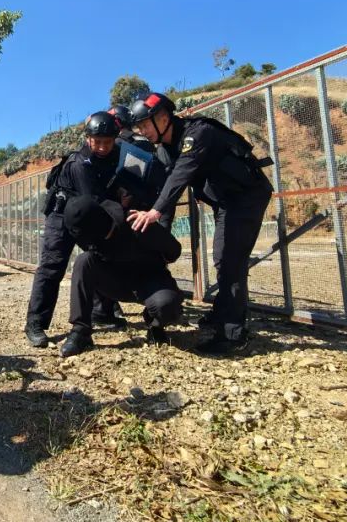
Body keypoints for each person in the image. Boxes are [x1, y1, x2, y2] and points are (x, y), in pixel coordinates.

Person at [128, 92, 272, 355]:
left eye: (145, 125)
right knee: (223, 258)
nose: (142, 131)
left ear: (163, 118)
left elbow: (181, 175)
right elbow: (165, 185)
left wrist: (155, 212)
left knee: (229, 260)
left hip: (246, 197)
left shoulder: (198, 134)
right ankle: (223, 314)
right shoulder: (165, 149)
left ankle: (233, 335)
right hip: (225, 201)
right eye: (139, 127)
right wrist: (158, 235)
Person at [25, 111, 125, 348]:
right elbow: (96, 199)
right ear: (88, 138)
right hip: (61, 217)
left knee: (99, 258)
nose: (102, 147)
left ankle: (102, 312)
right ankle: (35, 324)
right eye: (97, 142)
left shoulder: (116, 156)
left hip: (85, 215)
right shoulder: (79, 162)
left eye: (107, 142)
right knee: (52, 267)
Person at [59, 196, 184, 357]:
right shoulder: (88, 233)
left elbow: (174, 250)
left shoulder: (136, 224)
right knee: (83, 261)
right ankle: (80, 331)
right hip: (116, 283)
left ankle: (155, 325)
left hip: (149, 281)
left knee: (166, 305)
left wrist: (153, 261)